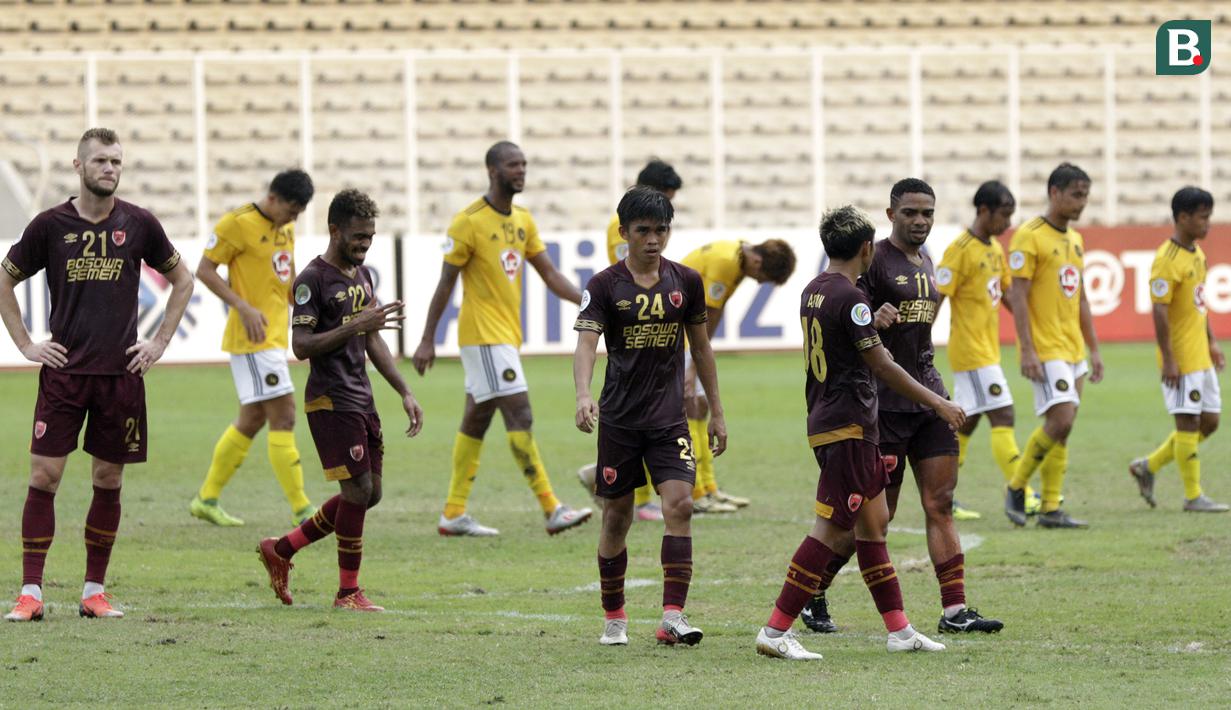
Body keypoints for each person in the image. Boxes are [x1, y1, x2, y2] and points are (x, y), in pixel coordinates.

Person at [1, 127, 194, 621]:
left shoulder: (140, 223)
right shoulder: (49, 226)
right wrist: (25, 344)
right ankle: (31, 594)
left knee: (108, 480)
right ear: (79, 165)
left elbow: (182, 279)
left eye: (116, 162)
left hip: (121, 377)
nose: (110, 169)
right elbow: (5, 278)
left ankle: (93, 592)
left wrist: (159, 342)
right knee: (44, 477)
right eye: (102, 161)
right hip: (65, 374)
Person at [799, 179, 1003, 637]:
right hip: (883, 407)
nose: (920, 221)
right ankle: (815, 591)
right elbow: (851, 316)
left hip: (928, 395)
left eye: (927, 213)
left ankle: (955, 609)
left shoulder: (927, 260)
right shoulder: (872, 262)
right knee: (874, 518)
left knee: (940, 502)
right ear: (891, 214)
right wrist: (875, 315)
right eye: (911, 212)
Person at [754, 205, 959, 661]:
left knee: (873, 529)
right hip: (847, 424)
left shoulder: (814, 290)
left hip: (836, 420)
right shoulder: (852, 299)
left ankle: (900, 630)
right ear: (867, 249)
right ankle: (776, 628)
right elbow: (883, 365)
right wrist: (938, 401)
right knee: (828, 530)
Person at [573, 186, 727, 646]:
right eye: (643, 231)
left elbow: (701, 348)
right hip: (620, 420)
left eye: (661, 230)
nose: (654, 240)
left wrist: (716, 410)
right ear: (624, 233)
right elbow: (586, 343)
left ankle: (673, 617)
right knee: (617, 516)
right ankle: (614, 616)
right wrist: (584, 394)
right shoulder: (603, 286)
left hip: (669, 420)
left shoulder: (687, 281)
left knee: (679, 504)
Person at [413, 141, 591, 537]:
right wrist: (427, 339)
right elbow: (445, 283)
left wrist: (588, 301)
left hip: (505, 338)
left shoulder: (524, 219)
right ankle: (552, 508)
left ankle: (453, 513)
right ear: (493, 170)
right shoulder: (468, 221)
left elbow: (550, 274)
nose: (522, 170)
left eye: (525, 163)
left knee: (476, 420)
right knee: (520, 414)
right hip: (484, 336)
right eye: (514, 164)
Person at [257, 189, 423, 612]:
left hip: (361, 397)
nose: (365, 244)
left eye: (370, 237)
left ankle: (282, 547)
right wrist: (355, 325)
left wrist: (404, 390)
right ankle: (348, 592)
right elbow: (301, 346)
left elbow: (373, 340)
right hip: (330, 400)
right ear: (335, 230)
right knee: (358, 490)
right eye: (358, 236)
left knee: (371, 494)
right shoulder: (312, 280)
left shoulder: (362, 276)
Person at [189, 169, 317, 527]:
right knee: (285, 414)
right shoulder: (237, 223)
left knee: (253, 418)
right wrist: (242, 306)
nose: (294, 219)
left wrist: (307, 309)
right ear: (273, 199)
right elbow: (205, 270)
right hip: (253, 339)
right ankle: (302, 508)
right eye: (291, 210)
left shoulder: (285, 228)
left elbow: (285, 278)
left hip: (275, 336)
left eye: (298, 213)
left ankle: (206, 498)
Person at [578, 158, 684, 522]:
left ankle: (628, 488)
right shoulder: (619, 238)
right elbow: (626, 272)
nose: (653, 238)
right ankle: (632, 498)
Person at [1003, 163, 1103, 528]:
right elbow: (1018, 296)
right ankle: (1016, 487)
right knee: (1060, 419)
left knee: (1064, 425)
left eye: (1086, 195)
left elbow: (1082, 299)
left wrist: (1093, 349)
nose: (1082, 202)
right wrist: (1027, 349)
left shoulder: (1074, 240)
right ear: (1055, 192)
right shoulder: (1029, 236)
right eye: (1077, 194)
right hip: (1046, 349)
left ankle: (1049, 508)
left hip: (1073, 348)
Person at [934, 181, 1036, 520]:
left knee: (966, 423)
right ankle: (1021, 491)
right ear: (983, 211)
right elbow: (938, 297)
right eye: (1003, 216)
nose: (1007, 224)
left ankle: (943, 495)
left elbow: (1006, 293)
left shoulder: (993, 248)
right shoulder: (960, 249)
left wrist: (1028, 330)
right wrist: (920, 343)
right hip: (971, 352)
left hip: (986, 350)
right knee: (1003, 414)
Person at [1128, 187, 1228, 513]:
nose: (1207, 224)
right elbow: (1159, 311)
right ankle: (1193, 495)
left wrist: (1211, 340)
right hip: (1181, 357)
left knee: (1209, 422)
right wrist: (1168, 357)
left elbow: (1199, 303)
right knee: (1187, 424)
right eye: (1203, 217)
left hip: (1200, 353)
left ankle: (1149, 465)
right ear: (1183, 217)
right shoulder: (1165, 260)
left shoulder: (1197, 255)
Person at [681, 237, 796, 513]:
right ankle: (696, 492)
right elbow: (706, 316)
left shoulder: (736, 255)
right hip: (680, 336)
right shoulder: (726, 263)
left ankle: (708, 488)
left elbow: (714, 310)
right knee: (692, 408)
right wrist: (695, 363)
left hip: (689, 336)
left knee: (700, 406)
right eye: (762, 277)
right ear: (757, 261)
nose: (758, 282)